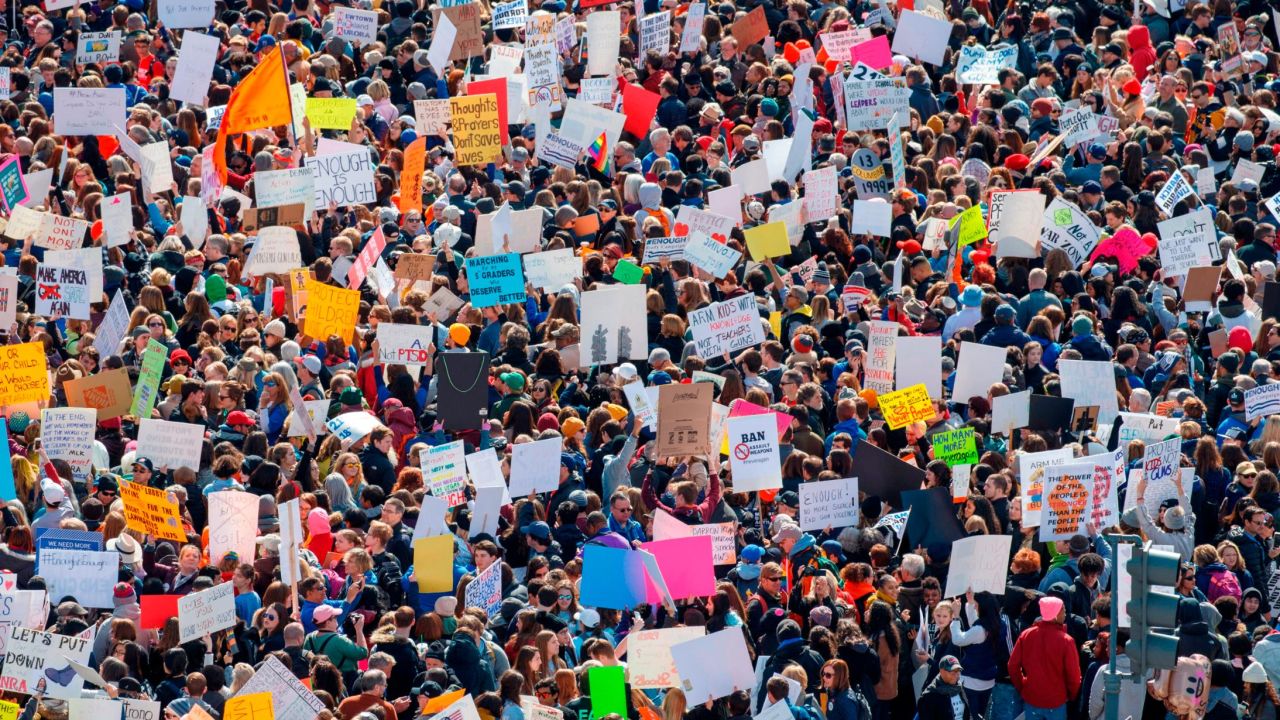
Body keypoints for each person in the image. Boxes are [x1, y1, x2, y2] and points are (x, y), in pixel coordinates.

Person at [1008, 598, 1082, 720]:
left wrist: (1023, 686)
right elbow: (1074, 676)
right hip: (1057, 701)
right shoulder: (1066, 640)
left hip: (1032, 698)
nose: (1065, 613)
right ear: (1054, 614)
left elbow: (1012, 666)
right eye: (1063, 610)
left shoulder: (1026, 635)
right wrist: (1070, 695)